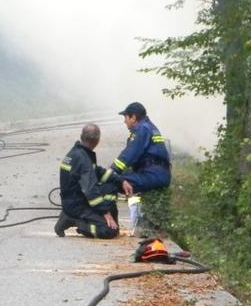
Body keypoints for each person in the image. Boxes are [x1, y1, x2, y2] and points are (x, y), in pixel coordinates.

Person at [109, 102, 171, 235]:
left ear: (133, 118)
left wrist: (112, 172)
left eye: (125, 117)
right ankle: (143, 225)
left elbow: (129, 154)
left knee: (111, 182)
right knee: (120, 180)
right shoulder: (149, 127)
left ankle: (110, 226)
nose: (124, 122)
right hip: (158, 173)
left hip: (152, 175)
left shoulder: (142, 129)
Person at [54, 123, 121, 239]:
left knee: (111, 186)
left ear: (81, 136)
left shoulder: (76, 152)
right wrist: (105, 212)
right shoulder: (83, 158)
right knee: (110, 231)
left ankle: (69, 216)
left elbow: (97, 172)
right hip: (78, 205)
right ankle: (75, 222)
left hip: (72, 201)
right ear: (97, 141)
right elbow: (91, 191)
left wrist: (120, 181)